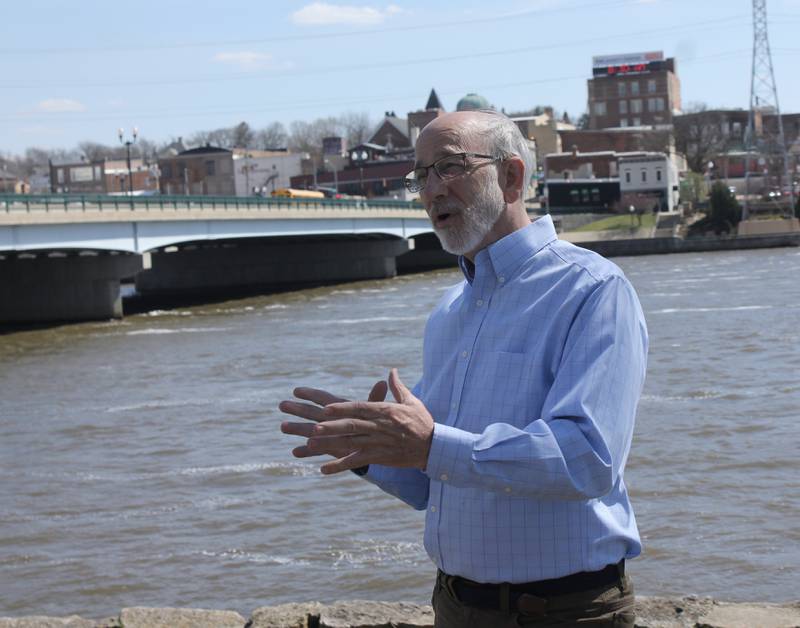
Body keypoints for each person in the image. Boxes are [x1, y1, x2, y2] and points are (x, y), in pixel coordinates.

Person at [279, 110, 648, 627]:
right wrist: (372, 452)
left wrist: (431, 445)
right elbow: (435, 481)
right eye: (421, 175)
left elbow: (588, 458)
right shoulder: (450, 311)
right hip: (455, 607)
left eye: (449, 167)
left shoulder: (591, 289)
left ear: (511, 176)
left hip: (561, 612)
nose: (431, 191)